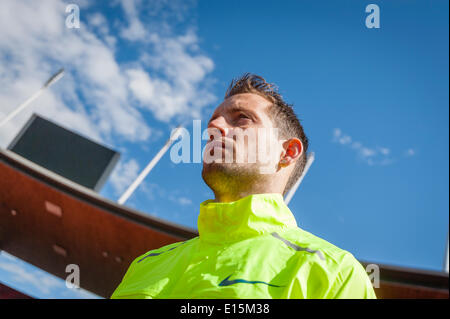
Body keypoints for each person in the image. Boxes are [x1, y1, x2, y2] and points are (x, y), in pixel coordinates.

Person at [110, 73, 377, 299]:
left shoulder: (333, 272)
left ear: (288, 152)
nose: (213, 126)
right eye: (212, 120)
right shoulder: (145, 265)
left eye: (241, 118)